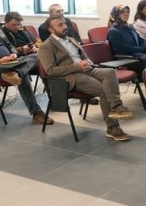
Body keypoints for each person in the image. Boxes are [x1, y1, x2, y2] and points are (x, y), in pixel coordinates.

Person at [38, 13, 135, 141]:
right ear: (51, 29)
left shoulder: (71, 39)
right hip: (70, 76)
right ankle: (112, 128)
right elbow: (50, 71)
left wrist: (88, 62)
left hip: (87, 69)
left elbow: (84, 57)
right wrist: (77, 67)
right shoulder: (46, 46)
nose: (65, 26)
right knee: (103, 90)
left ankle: (117, 107)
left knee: (110, 72)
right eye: (60, 25)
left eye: (65, 23)